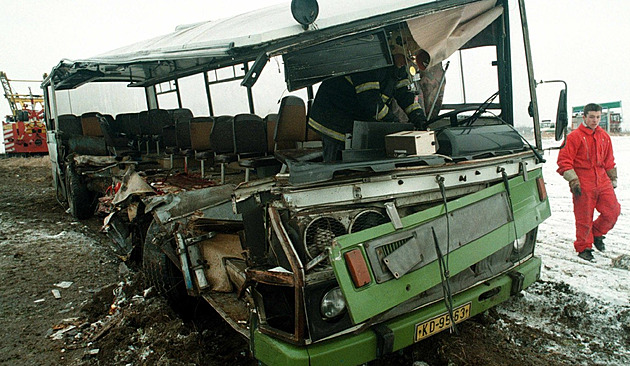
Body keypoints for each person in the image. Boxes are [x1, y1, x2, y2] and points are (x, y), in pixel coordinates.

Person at [308, 35, 428, 162]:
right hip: (334, 117)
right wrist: (395, 123)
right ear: (394, 49)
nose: (406, 62)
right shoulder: (370, 61)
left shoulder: (398, 66)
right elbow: (371, 102)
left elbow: (404, 93)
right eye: (406, 58)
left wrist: (418, 116)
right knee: (338, 163)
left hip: (356, 115)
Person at [557, 103, 620, 262]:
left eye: (598, 117)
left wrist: (613, 178)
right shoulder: (574, 137)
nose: (595, 120)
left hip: (602, 179)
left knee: (613, 211)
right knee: (584, 217)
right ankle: (584, 247)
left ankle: (597, 233)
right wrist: (573, 180)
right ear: (584, 117)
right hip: (583, 181)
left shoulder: (604, 136)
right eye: (591, 117)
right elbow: (564, 161)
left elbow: (609, 161)